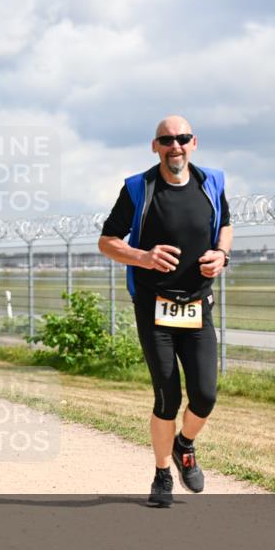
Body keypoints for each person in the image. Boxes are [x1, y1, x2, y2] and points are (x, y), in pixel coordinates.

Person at [98, 115, 233, 507]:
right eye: (166, 140)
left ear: (194, 143)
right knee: (167, 398)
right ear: (155, 146)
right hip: (154, 309)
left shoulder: (212, 183)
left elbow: (226, 224)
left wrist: (221, 255)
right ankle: (161, 474)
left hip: (198, 308)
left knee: (205, 395)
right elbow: (107, 242)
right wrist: (143, 255)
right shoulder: (139, 188)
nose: (175, 146)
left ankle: (184, 445)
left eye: (182, 138)